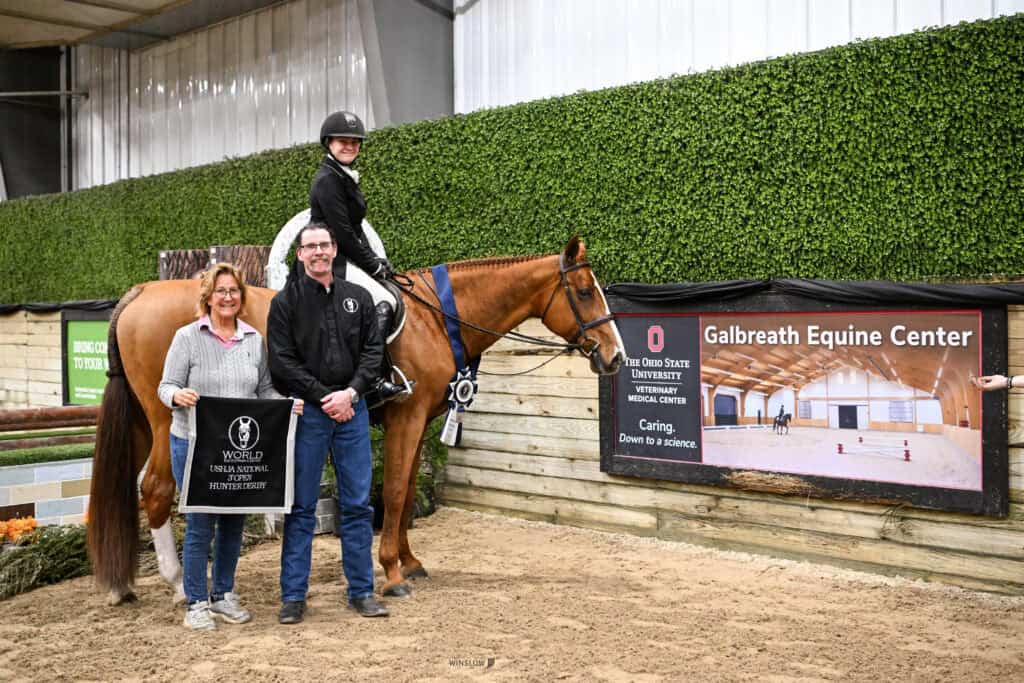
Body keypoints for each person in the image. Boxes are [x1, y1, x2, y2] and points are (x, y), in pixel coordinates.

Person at [158, 262, 303, 631]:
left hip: (238, 452)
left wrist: (286, 405)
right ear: (207, 297)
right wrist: (178, 394)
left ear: (241, 297)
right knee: (199, 524)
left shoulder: (254, 340)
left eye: (233, 291)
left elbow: (264, 391)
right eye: (220, 291)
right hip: (193, 444)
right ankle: (196, 602)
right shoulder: (187, 338)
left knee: (233, 525)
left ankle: (223, 594)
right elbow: (164, 387)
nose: (227, 297)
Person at [267, 222, 390, 624]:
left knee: (357, 505)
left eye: (324, 245)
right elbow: (282, 362)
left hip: (352, 412)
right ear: (299, 254)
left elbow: (374, 354)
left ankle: (362, 591)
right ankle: (293, 596)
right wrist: (324, 396)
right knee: (301, 507)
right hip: (310, 415)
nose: (318, 252)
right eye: (310, 246)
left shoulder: (359, 298)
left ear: (334, 250)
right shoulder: (284, 303)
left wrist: (350, 394)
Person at [309, 110, 410, 405]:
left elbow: (356, 229)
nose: (350, 146)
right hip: (329, 259)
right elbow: (341, 233)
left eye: (355, 142)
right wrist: (372, 264)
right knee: (384, 301)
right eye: (343, 141)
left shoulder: (342, 176)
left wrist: (378, 262)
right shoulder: (327, 180)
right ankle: (372, 380)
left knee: (389, 290)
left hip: (342, 255)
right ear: (328, 143)